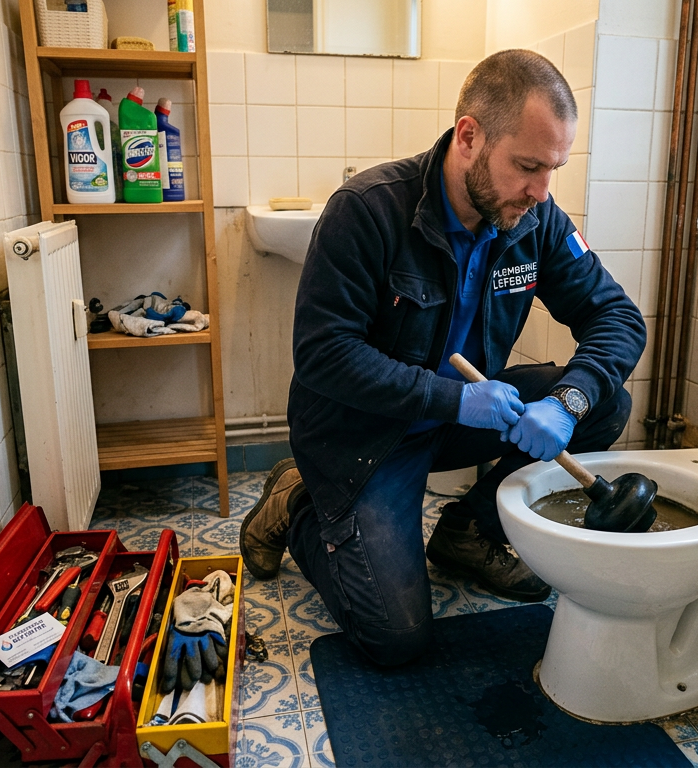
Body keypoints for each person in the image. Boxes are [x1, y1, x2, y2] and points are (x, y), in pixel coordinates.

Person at [240, 49, 647, 666]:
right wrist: (455, 398)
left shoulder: (534, 220)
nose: (541, 191)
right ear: (468, 137)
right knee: (396, 641)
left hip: (457, 419)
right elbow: (324, 355)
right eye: (528, 166)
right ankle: (296, 502)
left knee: (606, 399)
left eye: (553, 169)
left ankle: (468, 533)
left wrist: (569, 402)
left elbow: (618, 317)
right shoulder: (367, 210)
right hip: (363, 434)